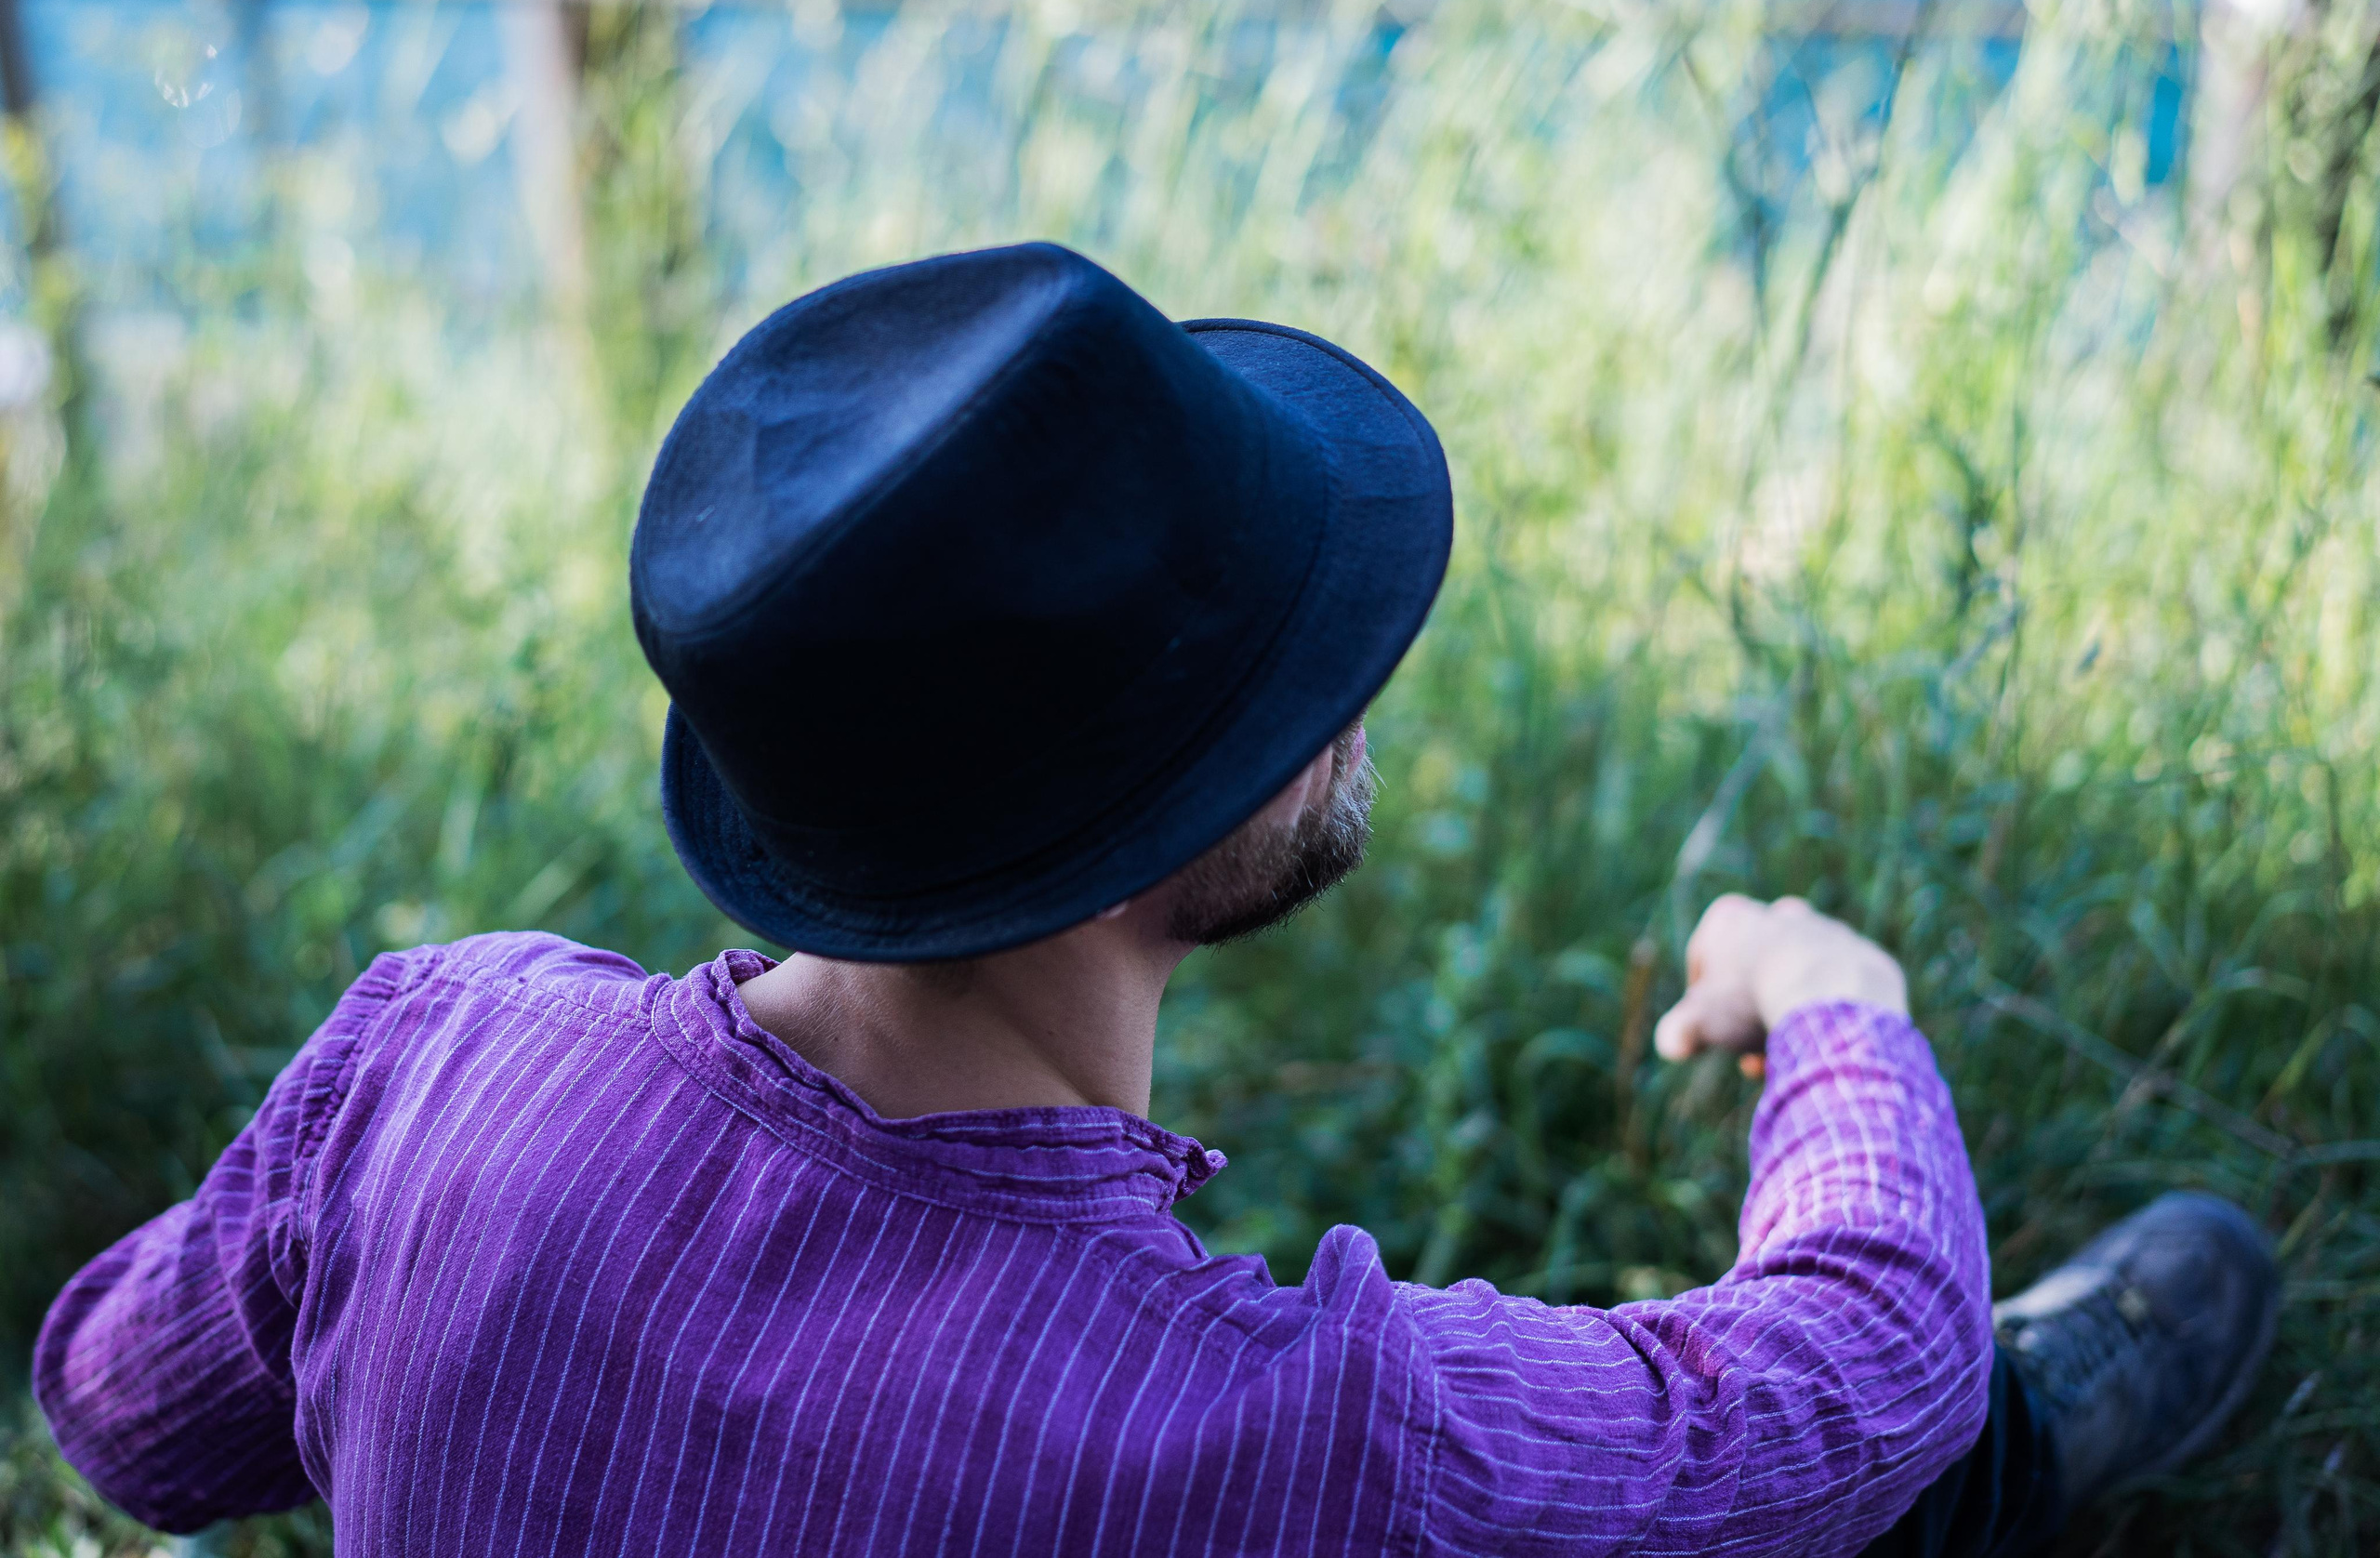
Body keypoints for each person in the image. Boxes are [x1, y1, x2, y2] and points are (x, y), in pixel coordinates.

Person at [35, 244, 2278, 1556]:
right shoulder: (1273, 1439)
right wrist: (1832, 1003)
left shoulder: (431, 1046)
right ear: (1139, 824)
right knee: (1893, 1472)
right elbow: (1842, 1368)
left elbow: (122, 1415)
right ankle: (2039, 1433)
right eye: (1296, 662)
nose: (1357, 680)